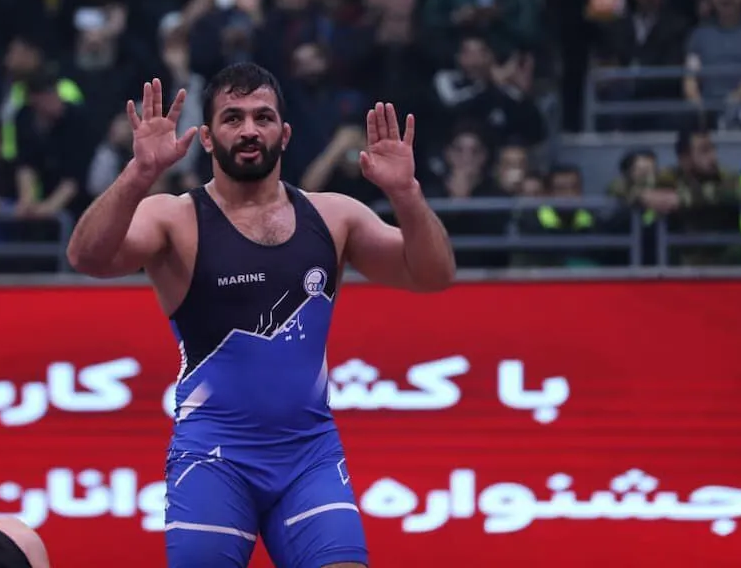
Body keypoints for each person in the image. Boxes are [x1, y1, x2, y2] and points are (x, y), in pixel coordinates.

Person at [67, 63, 455, 568]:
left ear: (284, 134)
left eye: (263, 117)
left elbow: (433, 275)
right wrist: (139, 174)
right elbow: (87, 258)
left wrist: (405, 194)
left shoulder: (333, 216)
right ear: (207, 137)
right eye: (233, 118)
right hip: (213, 459)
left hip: (309, 456)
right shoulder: (175, 218)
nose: (249, 129)